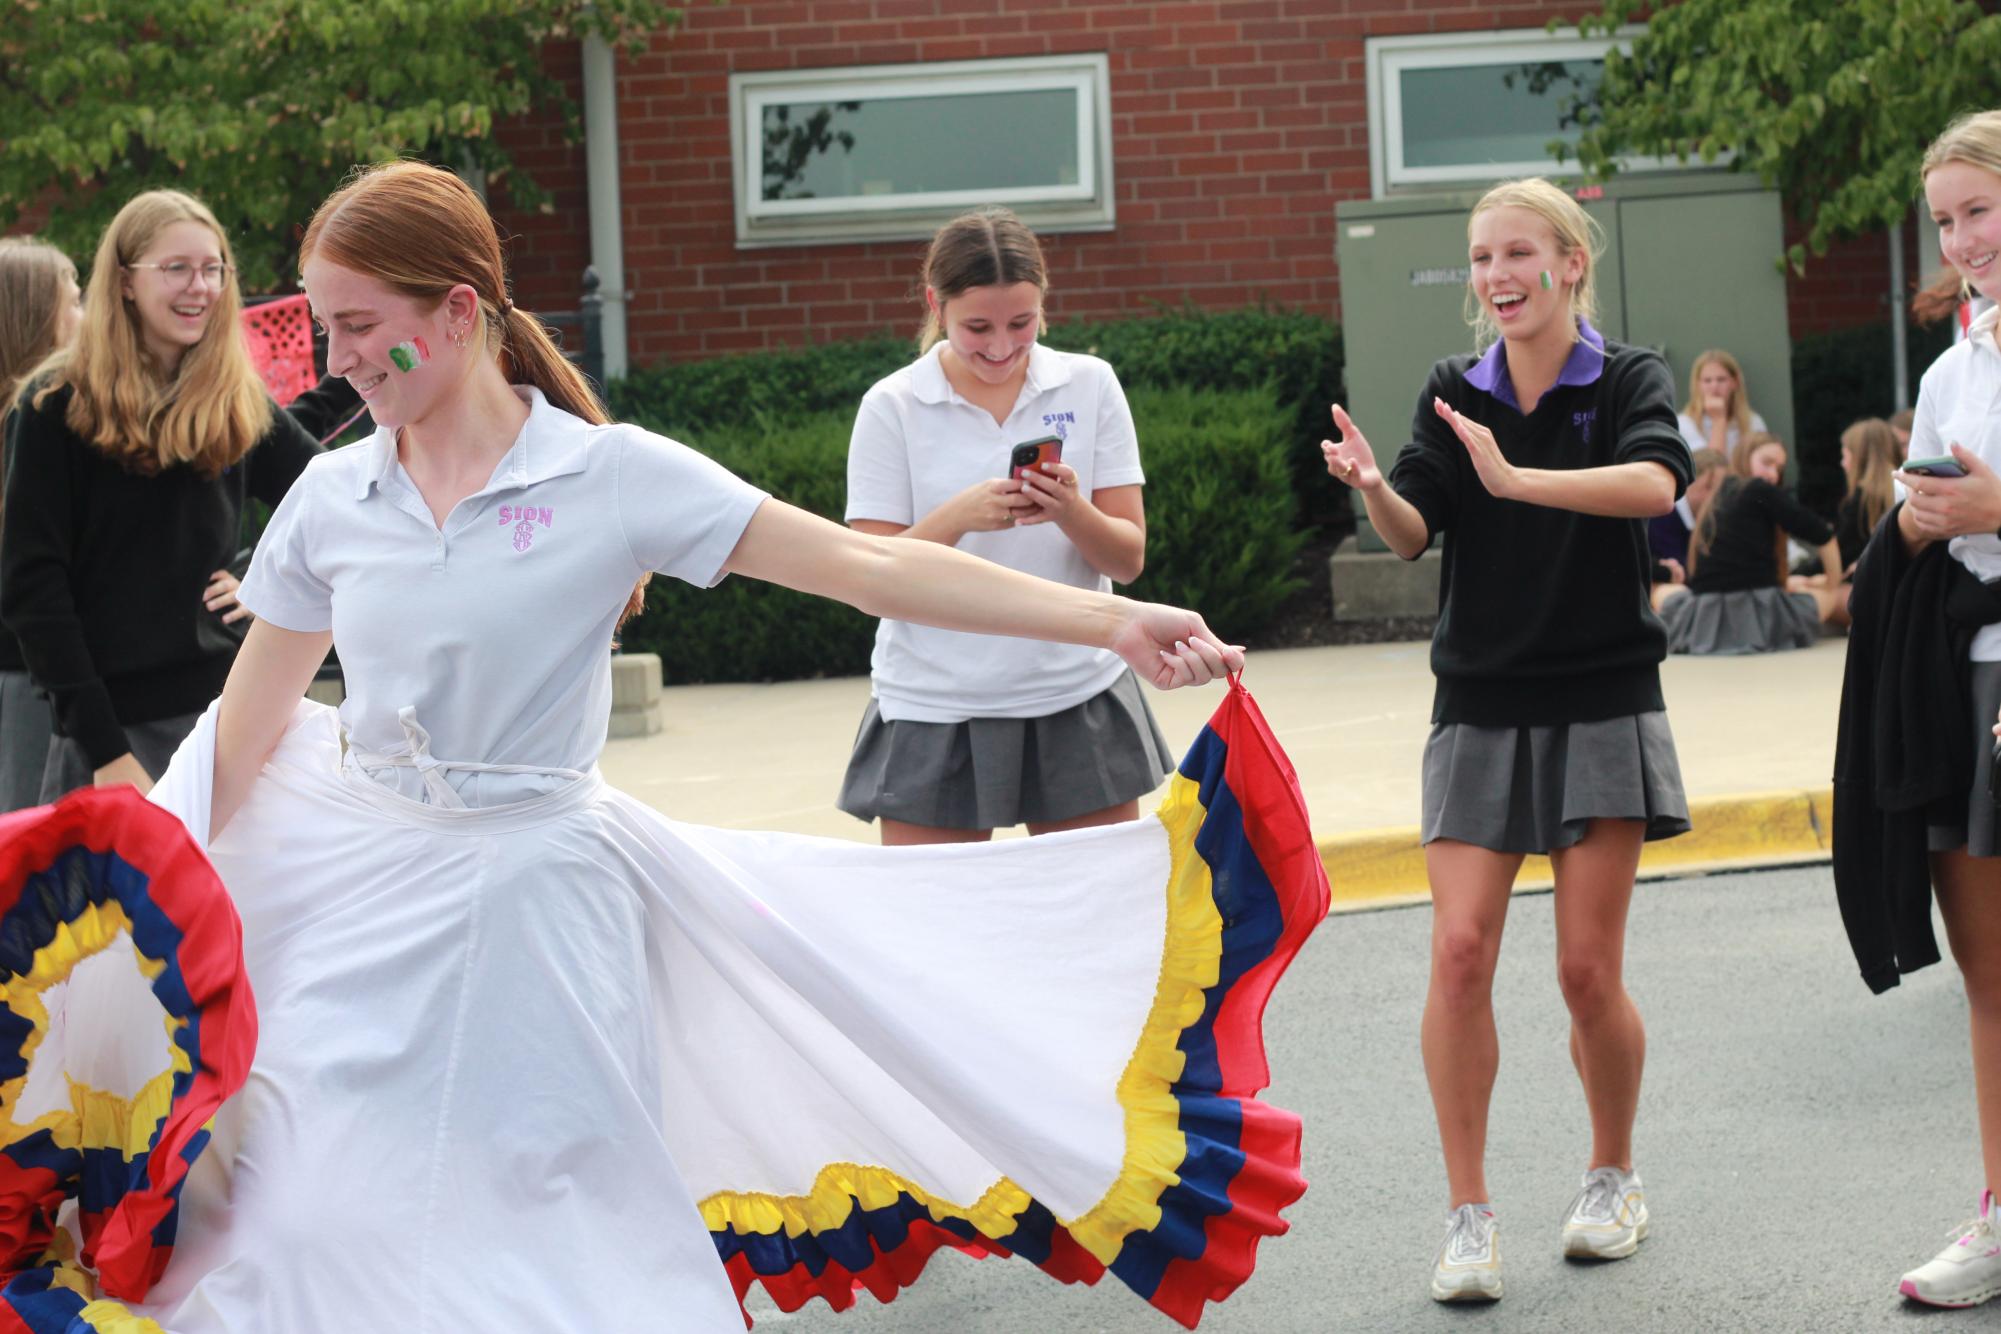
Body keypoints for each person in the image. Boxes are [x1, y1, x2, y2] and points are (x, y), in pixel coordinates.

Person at [17, 162, 1323, 1331]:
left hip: (545, 903)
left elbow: (869, 567)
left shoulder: (611, 474)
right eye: (325, 321)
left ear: (458, 314)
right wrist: (123, 951)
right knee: (309, 1226)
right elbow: (239, 743)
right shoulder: (332, 499)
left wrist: (1116, 619)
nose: (333, 356)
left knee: (559, 1217)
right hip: (361, 897)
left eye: (362, 326)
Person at [1321, 176, 1691, 1304]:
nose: (1497, 276)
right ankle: (1469, 1214)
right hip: (1479, 702)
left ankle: (1613, 1174)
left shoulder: (1627, 375)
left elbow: (1657, 484)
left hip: (1601, 695)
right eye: (1482, 258)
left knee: (1585, 971)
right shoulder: (1453, 389)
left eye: (1518, 253)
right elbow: (1417, 530)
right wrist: (1379, 487)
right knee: (1460, 951)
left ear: (1570, 262)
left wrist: (1518, 476)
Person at [0, 190, 358, 804]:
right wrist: (106, 751)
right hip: (109, 737)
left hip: (226, 722)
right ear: (125, 280)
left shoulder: (233, 399)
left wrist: (258, 578)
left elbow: (331, 500)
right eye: (177, 269)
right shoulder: (54, 404)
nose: (201, 286)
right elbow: (33, 588)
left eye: (213, 268)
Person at [838, 207, 1171, 844]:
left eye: (1021, 323)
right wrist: (958, 518)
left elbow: (1128, 561)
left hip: (1074, 690)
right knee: (940, 933)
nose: (999, 346)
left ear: (1044, 303)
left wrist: (1071, 511)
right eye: (977, 327)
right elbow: (865, 578)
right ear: (935, 305)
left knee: (1086, 927)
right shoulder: (892, 405)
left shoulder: (1090, 383)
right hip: (933, 704)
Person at [1838, 108, 2001, 1310]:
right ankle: (2000, 1210)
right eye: (1946, 222)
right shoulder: (1951, 369)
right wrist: (1917, 515)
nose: (1963, 242)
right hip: (1967, 675)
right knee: (1990, 971)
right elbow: (1917, 532)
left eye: (1979, 211)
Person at [0, 236, 82, 811]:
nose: (87, 316)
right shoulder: (40, 427)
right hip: (34, 687)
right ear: (37, 317)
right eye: (73, 299)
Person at [1658, 434, 1841, 651]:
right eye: (1767, 463)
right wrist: (1833, 581)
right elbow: (1823, 534)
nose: (1773, 474)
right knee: (1831, 595)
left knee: (1661, 592)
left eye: (1779, 468)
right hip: (1760, 617)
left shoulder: (1718, 495)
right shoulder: (1756, 488)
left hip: (1702, 618)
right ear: (1745, 457)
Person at [1788, 417, 1900, 628]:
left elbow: (1836, 556)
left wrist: (1791, 577)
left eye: (1845, 455)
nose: (1842, 463)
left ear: (1859, 457)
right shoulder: (1904, 493)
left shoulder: (1864, 500)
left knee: (1800, 593)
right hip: (1902, 596)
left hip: (1874, 598)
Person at [1647, 447, 1727, 610]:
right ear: (1690, 481)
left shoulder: (1710, 521)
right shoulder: (1662, 517)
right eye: (1709, 487)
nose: (1715, 498)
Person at [1676, 348, 1766, 459]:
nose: (1714, 386)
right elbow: (1710, 470)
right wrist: (1718, 419)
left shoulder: (1753, 422)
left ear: (1735, 382)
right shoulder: (1684, 423)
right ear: (1698, 384)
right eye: (1707, 380)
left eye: (1721, 379)